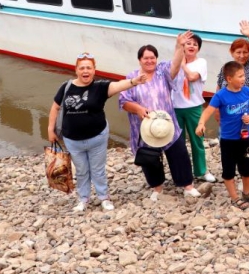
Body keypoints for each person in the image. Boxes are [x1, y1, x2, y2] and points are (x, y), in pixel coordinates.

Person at [49, 54, 147, 211]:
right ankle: (83, 199)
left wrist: (134, 82)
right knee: (81, 171)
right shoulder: (66, 87)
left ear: (94, 70)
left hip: (97, 137)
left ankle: (103, 197)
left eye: (89, 67)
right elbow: (55, 107)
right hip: (73, 140)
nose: (85, 71)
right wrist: (50, 129)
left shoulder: (100, 88)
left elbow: (118, 86)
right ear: (76, 70)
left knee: (98, 170)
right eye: (82, 68)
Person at [119, 32, 202, 200]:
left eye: (152, 58)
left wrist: (179, 46)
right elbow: (123, 101)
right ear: (139, 60)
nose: (149, 61)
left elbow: (176, 65)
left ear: (156, 59)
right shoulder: (131, 78)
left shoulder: (162, 72)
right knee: (150, 159)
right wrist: (138, 109)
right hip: (145, 128)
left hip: (168, 125)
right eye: (146, 58)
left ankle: (187, 185)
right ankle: (157, 188)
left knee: (179, 154)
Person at [196, 61, 249, 209]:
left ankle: (247, 191)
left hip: (246, 138)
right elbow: (208, 110)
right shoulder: (220, 95)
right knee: (229, 170)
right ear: (229, 78)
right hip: (228, 140)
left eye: (243, 75)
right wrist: (201, 123)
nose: (243, 79)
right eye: (240, 76)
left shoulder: (247, 92)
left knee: (248, 167)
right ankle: (234, 198)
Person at [216, 21, 249, 192]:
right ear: (232, 52)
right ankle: (244, 177)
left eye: (245, 52)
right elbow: (218, 90)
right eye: (238, 52)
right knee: (238, 151)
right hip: (232, 120)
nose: (242, 55)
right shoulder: (226, 69)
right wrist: (217, 111)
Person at [171, 32, 215, 183]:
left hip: (194, 107)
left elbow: (192, 77)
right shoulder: (174, 62)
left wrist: (182, 64)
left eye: (195, 44)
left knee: (197, 140)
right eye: (188, 43)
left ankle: (201, 171)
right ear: (182, 45)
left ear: (198, 49)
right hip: (175, 108)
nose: (191, 46)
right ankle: (181, 173)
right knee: (177, 143)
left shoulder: (200, 62)